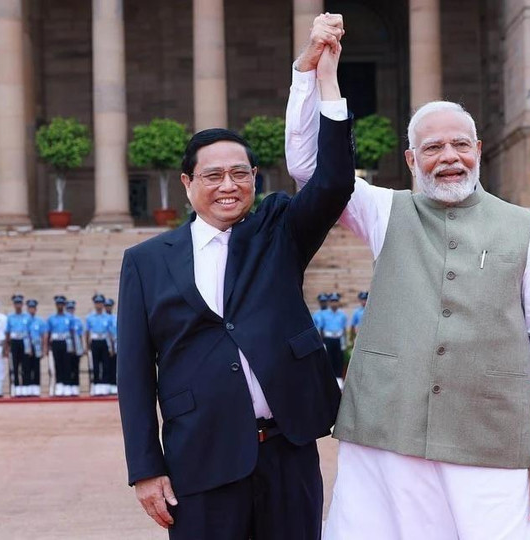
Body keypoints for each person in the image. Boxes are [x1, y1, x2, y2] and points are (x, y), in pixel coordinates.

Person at [285, 27, 530, 537]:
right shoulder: (383, 209)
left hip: (489, 434)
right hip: (386, 429)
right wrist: (309, 77)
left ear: (479, 149)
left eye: (460, 144)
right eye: (433, 147)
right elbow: (312, 169)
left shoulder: (521, 227)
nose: (449, 157)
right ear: (411, 160)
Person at [116, 15, 352, 538]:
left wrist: (318, 79)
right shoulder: (147, 261)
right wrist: (145, 469)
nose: (229, 185)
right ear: (187, 183)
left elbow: (334, 182)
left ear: (254, 180)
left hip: (287, 452)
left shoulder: (278, 232)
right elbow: (133, 374)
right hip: (198, 459)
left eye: (241, 173)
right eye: (214, 175)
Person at [86, 294, 113, 396]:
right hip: (95, 341)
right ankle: (96, 385)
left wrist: (111, 346)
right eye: (97, 303)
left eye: (100, 303)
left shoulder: (108, 317)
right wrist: (87, 344)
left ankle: (105, 385)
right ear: (94, 304)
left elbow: (110, 333)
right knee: (96, 364)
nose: (99, 305)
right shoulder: (90, 317)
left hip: (105, 341)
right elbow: (87, 332)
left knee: (106, 364)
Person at [48, 295, 74, 396]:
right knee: (58, 364)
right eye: (58, 304)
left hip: (66, 341)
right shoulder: (51, 318)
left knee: (67, 364)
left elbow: (72, 332)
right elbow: (48, 333)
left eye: (61, 304)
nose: (60, 306)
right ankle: (59, 385)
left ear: (64, 305)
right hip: (56, 342)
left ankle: (67, 385)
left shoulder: (69, 317)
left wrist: (74, 346)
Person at [320, 292, 348, 385]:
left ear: (338, 302)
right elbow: (321, 329)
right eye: (332, 301)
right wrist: (322, 342)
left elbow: (344, 329)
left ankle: (339, 379)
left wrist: (344, 342)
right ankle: (330, 379)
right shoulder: (324, 314)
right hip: (328, 338)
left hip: (338, 338)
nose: (334, 303)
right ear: (329, 302)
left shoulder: (342, 315)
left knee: (339, 359)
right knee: (329, 359)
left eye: (336, 301)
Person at [6, 294, 30, 397]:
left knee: (25, 366)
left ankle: (25, 388)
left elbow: (30, 331)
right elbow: (7, 332)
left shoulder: (27, 316)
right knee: (14, 366)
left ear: (22, 304)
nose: (18, 305)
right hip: (14, 341)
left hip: (24, 341)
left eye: (19, 303)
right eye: (16, 303)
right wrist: (7, 346)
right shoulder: (10, 317)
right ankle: (15, 388)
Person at [25, 299, 47, 397]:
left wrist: (44, 348)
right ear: (27, 309)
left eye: (33, 308)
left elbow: (43, 335)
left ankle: (36, 388)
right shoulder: (24, 320)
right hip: (27, 345)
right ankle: (28, 387)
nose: (31, 310)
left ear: (36, 309)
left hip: (37, 345)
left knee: (36, 367)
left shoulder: (40, 321)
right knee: (27, 367)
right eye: (30, 308)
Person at [65, 300, 85, 396]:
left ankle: (76, 386)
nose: (70, 310)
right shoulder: (64, 320)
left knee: (76, 367)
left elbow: (80, 335)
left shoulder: (77, 320)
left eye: (72, 309)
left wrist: (81, 347)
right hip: (67, 346)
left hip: (76, 346)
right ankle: (68, 386)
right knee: (67, 367)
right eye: (68, 309)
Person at [105, 298, 118, 396]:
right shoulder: (102, 317)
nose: (108, 308)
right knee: (106, 365)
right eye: (106, 306)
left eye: (109, 306)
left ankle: (114, 384)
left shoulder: (115, 318)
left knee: (115, 365)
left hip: (116, 343)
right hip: (106, 343)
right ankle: (107, 384)